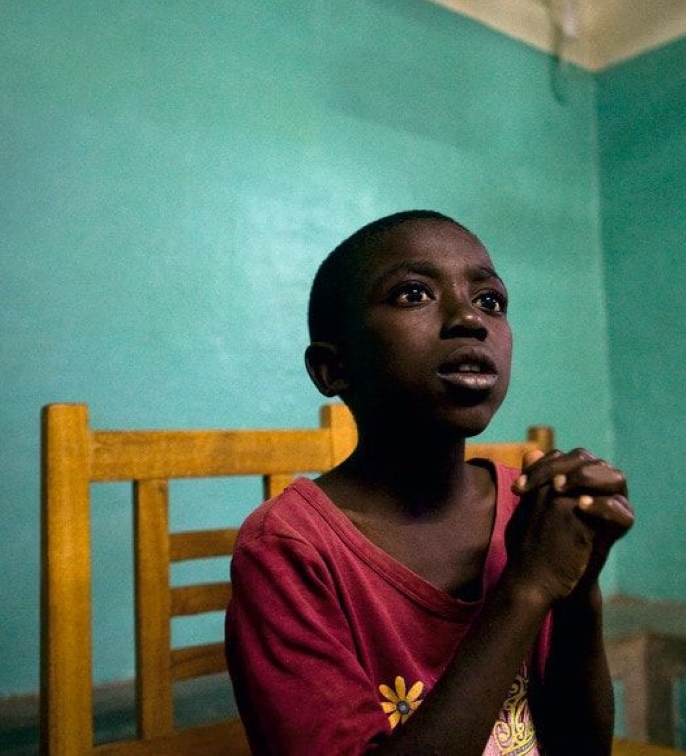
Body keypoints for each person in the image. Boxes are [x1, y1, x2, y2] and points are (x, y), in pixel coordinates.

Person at [226, 210, 634, 755]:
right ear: (332, 368)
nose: (470, 319)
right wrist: (529, 586)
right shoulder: (289, 548)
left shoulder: (530, 512)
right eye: (412, 293)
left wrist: (579, 590)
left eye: (490, 300)